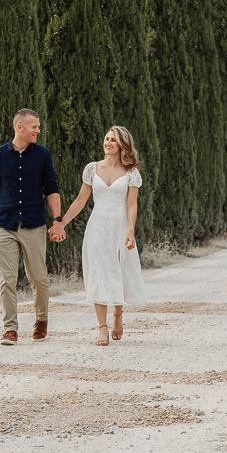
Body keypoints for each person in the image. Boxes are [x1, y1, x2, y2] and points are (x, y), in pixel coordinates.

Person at [57, 125, 147, 346]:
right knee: (99, 274)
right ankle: (102, 328)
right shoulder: (92, 169)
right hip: (97, 228)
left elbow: (132, 204)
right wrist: (61, 223)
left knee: (117, 273)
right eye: (106, 139)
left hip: (120, 227)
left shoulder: (131, 173)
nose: (108, 143)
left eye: (113, 140)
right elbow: (80, 200)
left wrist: (131, 230)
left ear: (122, 145)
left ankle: (117, 316)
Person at [0, 108, 65, 345]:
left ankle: (41, 320)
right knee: (7, 279)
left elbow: (51, 188)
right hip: (4, 226)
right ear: (20, 127)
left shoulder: (42, 155)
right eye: (34, 126)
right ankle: (10, 329)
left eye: (38, 126)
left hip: (33, 225)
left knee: (38, 278)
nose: (38, 130)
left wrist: (57, 220)